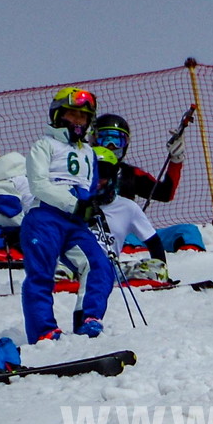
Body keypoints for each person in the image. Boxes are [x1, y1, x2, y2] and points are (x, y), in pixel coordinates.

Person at [20, 86, 113, 342]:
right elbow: (38, 184)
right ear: (59, 115)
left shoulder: (88, 153)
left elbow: (90, 186)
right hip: (45, 217)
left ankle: (88, 318)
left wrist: (93, 203)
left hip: (75, 222)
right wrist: (73, 204)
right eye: (72, 115)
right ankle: (44, 331)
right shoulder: (44, 145)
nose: (78, 122)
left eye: (83, 117)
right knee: (41, 273)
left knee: (99, 264)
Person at [89, 146, 169, 283]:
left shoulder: (127, 207)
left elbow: (153, 241)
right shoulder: (70, 202)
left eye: (102, 173)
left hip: (108, 269)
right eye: (90, 173)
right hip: (75, 267)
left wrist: (162, 272)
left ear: (112, 176)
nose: (96, 180)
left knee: (155, 268)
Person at [92, 114, 184, 204]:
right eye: (104, 140)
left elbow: (165, 194)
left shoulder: (129, 174)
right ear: (93, 141)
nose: (111, 147)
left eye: (118, 141)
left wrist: (176, 159)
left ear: (126, 144)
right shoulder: (83, 167)